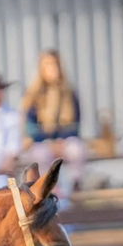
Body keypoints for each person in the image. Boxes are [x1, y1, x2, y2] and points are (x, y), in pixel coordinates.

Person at [21, 49, 86, 197]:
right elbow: (30, 127)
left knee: (76, 149)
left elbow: (76, 124)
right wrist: (49, 141)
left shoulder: (69, 93)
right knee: (41, 154)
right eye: (48, 65)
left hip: (64, 141)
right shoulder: (33, 95)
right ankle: (49, 188)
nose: (53, 69)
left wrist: (61, 140)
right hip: (42, 142)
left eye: (55, 65)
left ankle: (76, 186)